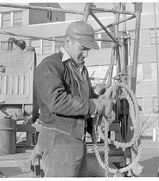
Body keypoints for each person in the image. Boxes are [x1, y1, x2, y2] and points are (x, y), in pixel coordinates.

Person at [33, 21, 114, 177]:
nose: (86, 54)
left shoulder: (81, 69)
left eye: (88, 49)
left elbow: (88, 99)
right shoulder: (50, 65)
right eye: (83, 48)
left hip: (77, 140)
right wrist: (94, 105)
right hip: (58, 141)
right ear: (68, 41)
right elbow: (56, 101)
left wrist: (103, 102)